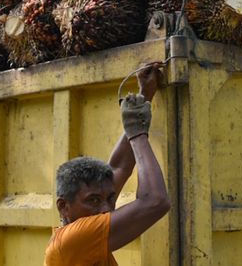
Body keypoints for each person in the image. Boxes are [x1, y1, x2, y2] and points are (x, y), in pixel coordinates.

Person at [44, 63, 170, 266]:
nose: (105, 209)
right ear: (63, 207)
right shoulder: (73, 241)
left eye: (110, 199)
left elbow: (119, 168)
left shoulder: (82, 235)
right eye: (93, 201)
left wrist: (144, 96)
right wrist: (138, 133)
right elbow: (156, 201)